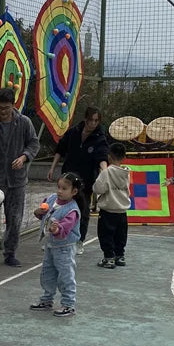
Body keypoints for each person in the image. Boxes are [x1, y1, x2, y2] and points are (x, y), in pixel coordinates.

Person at [0, 87, 40, 267]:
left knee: (14, 219)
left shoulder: (24, 123)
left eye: (6, 108)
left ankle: (10, 252)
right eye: (0, 108)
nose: (3, 112)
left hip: (17, 181)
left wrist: (24, 156)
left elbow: (34, 143)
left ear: (13, 105)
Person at [47, 106, 109, 253]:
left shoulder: (100, 137)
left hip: (86, 181)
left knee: (82, 211)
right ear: (85, 119)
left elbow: (102, 157)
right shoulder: (73, 132)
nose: (93, 124)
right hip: (68, 177)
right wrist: (52, 167)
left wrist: (105, 173)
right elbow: (60, 150)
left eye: (96, 121)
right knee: (61, 208)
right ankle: (57, 237)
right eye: (90, 120)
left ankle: (79, 241)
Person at [30, 172, 84, 317]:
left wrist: (57, 228)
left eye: (64, 188)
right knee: (47, 273)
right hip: (50, 245)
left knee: (66, 275)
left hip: (64, 248)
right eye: (58, 187)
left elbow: (65, 228)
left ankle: (68, 304)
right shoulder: (51, 199)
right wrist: (38, 212)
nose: (59, 191)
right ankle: (47, 299)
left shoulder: (72, 209)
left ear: (74, 192)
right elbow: (42, 214)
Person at [93, 142, 131, 268]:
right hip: (122, 211)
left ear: (109, 156)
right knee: (121, 235)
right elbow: (128, 191)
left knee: (106, 234)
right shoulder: (126, 173)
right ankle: (120, 256)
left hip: (108, 209)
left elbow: (98, 189)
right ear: (124, 157)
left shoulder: (106, 172)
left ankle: (109, 257)